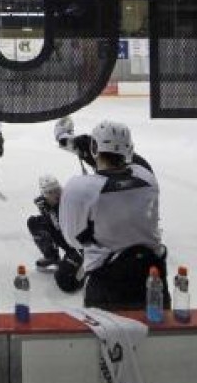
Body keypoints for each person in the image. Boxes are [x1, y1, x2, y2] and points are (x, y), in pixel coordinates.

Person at [58, 120, 169, 310]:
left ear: (94, 147)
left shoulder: (80, 188)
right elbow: (127, 168)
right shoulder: (147, 178)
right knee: (157, 334)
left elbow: (73, 239)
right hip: (153, 275)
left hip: (106, 283)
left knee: (106, 337)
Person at [26, 174, 85, 291]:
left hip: (78, 246)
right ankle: (52, 256)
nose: (56, 195)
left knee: (65, 281)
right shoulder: (45, 204)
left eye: (57, 190)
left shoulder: (70, 203)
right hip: (65, 239)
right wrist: (47, 212)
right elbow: (54, 227)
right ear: (44, 194)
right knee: (34, 222)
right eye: (50, 192)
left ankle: (88, 271)